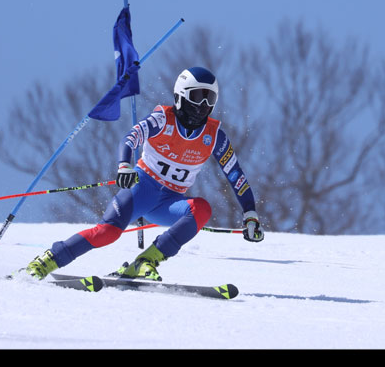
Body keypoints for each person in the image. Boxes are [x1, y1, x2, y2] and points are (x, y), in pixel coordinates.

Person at [21, 66, 264, 282]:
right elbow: (130, 138)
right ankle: (48, 260)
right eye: (197, 96)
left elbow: (236, 176)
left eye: (210, 98)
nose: (203, 105)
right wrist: (124, 166)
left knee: (202, 209)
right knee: (107, 233)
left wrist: (250, 214)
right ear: (181, 95)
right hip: (142, 190)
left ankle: (145, 261)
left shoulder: (215, 136)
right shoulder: (163, 118)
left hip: (170, 203)